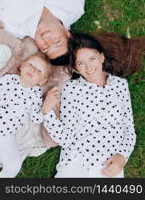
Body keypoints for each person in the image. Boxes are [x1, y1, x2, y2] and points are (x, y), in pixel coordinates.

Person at [41, 32, 137, 178]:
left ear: (102, 57)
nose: (89, 67)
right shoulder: (71, 89)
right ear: (75, 68)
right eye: (81, 63)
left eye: (92, 58)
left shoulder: (120, 85)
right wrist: (47, 112)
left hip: (109, 166)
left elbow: (128, 127)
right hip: (76, 164)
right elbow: (66, 138)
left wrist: (123, 157)